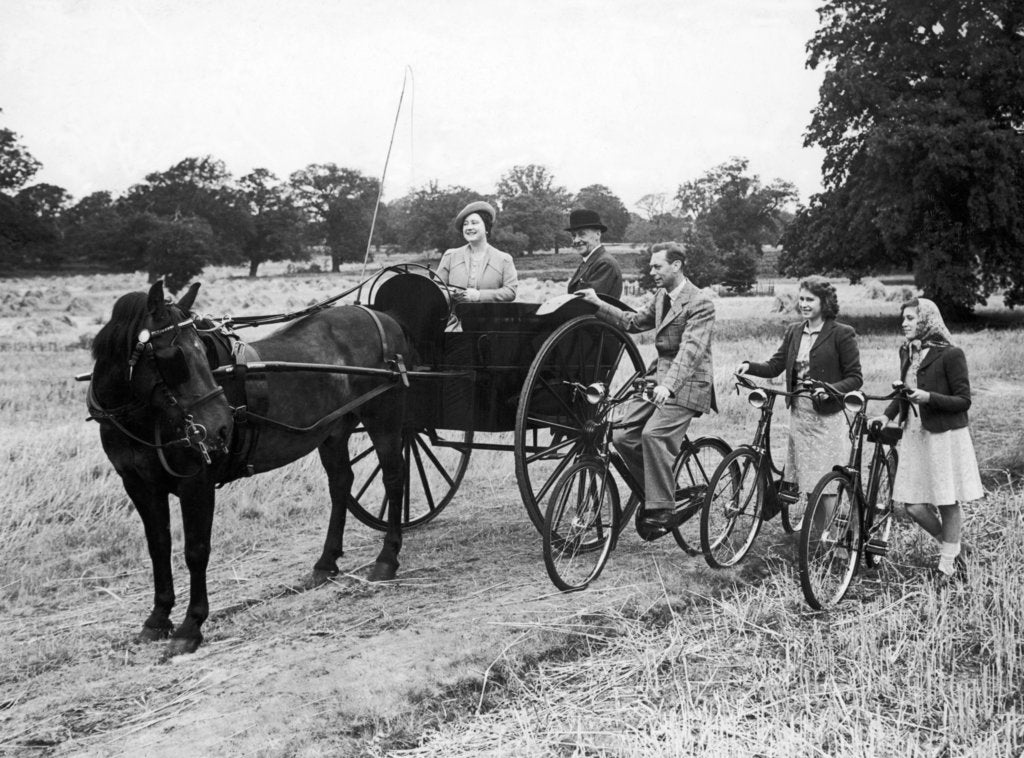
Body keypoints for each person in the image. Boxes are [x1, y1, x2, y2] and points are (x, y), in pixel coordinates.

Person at [580, 243, 715, 531]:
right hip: (659, 382)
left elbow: (690, 352)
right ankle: (661, 493)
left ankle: (662, 510)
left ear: (676, 266)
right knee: (622, 436)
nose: (651, 271)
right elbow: (632, 321)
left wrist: (668, 386)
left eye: (657, 266)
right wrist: (597, 304)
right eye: (651, 266)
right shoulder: (661, 297)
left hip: (687, 384)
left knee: (653, 435)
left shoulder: (700, 303)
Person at [869, 298, 983, 582]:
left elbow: (963, 400)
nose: (904, 323)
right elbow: (904, 393)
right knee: (913, 505)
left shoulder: (951, 354)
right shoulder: (906, 351)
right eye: (903, 318)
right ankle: (955, 547)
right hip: (914, 434)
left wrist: (929, 397)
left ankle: (947, 565)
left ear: (927, 320)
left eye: (910, 318)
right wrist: (885, 416)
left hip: (944, 436)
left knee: (946, 499)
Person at [737, 276, 862, 501]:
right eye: (801, 298)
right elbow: (776, 365)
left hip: (827, 416)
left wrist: (830, 389)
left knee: (824, 485)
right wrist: (749, 366)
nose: (803, 304)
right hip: (800, 413)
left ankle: (830, 535)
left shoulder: (842, 333)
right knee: (806, 482)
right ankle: (813, 534)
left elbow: (855, 378)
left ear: (824, 302)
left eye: (810, 299)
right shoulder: (794, 330)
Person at [437, 201, 518, 328]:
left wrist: (479, 296)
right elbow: (437, 288)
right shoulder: (450, 256)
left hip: (492, 327)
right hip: (454, 327)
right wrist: (449, 294)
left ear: (486, 228)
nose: (469, 228)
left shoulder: (504, 259)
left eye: (474, 223)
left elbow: (510, 292)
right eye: (465, 224)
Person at [565, 209, 623, 299]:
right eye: (573, 236)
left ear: (598, 234)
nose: (576, 240)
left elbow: (588, 305)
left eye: (582, 234)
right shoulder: (590, 261)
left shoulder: (605, 264)